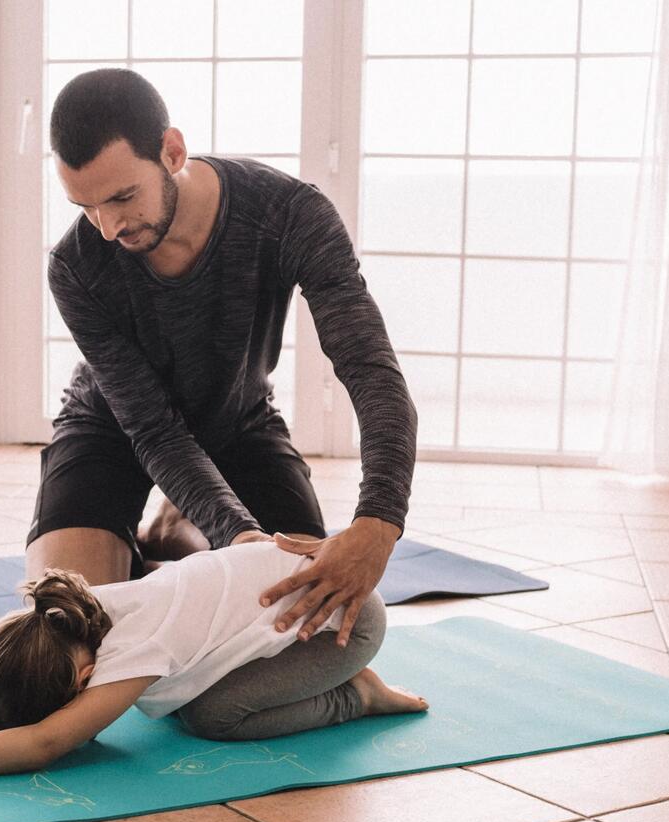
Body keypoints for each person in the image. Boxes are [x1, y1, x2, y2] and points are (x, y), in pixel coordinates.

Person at [26, 67, 418, 652]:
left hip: (240, 423)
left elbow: (369, 369)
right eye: (85, 207)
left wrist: (379, 522)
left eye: (122, 197)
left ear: (172, 151)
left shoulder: (289, 214)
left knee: (303, 629)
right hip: (110, 431)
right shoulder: (76, 265)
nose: (107, 228)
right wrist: (236, 536)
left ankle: (175, 528)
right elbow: (153, 428)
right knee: (67, 639)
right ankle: (189, 529)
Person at [0, 543, 427, 793]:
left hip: (342, 625)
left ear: (78, 684)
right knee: (184, 702)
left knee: (212, 715)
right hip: (294, 604)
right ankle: (342, 687)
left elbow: (46, 740)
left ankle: (357, 696)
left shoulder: (133, 649)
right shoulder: (70, 619)